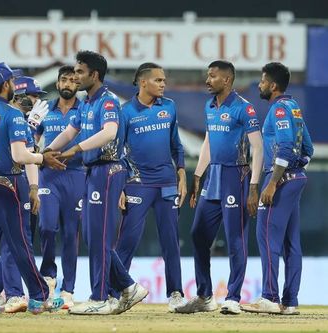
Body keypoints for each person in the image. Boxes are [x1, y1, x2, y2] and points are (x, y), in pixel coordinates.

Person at [46, 51, 148, 315]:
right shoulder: (86, 102)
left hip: (108, 170)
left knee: (99, 236)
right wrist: (46, 152)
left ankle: (100, 297)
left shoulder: (108, 101)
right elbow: (70, 130)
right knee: (93, 237)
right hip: (93, 171)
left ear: (95, 75)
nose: (76, 76)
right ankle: (128, 286)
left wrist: (75, 150)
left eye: (80, 72)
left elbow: (110, 132)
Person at [0, 62, 65, 315]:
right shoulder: (12, 115)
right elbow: (20, 155)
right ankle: (40, 296)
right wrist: (43, 159)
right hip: (9, 183)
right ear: (6, 84)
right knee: (20, 242)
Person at [175, 60, 263, 315]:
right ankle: (204, 296)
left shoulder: (243, 109)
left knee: (236, 238)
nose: (207, 80)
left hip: (236, 176)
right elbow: (209, 141)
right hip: (213, 175)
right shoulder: (209, 106)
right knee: (197, 234)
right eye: (207, 75)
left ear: (227, 80)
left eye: (212, 76)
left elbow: (257, 148)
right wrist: (198, 174)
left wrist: (254, 186)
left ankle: (233, 297)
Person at [241, 62, 313, 315]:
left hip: (280, 180)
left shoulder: (279, 110)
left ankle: (269, 297)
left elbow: (284, 147)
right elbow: (308, 150)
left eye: (262, 81)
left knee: (267, 236)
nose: (259, 85)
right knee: (291, 243)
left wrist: (273, 181)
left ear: (273, 85)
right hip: (296, 178)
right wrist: (296, 169)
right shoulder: (294, 108)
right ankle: (290, 301)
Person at [115, 62, 187, 312]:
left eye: (164, 80)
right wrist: (120, 187)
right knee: (128, 239)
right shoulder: (125, 113)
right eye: (158, 80)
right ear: (143, 82)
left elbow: (176, 145)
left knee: (170, 241)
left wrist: (182, 174)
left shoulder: (169, 107)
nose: (163, 84)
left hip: (167, 183)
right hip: (138, 184)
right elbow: (117, 152)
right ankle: (117, 293)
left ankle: (176, 293)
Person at [34, 65, 85, 309]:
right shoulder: (45, 110)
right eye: (64, 80)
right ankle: (48, 276)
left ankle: (69, 289)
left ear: (79, 84)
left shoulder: (85, 109)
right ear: (57, 84)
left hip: (76, 174)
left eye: (73, 80)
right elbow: (30, 143)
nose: (68, 84)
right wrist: (40, 156)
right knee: (46, 226)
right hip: (48, 176)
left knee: (70, 234)